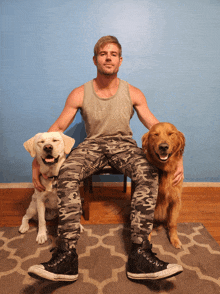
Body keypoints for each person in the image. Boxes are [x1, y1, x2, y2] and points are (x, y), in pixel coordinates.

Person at [28, 36, 184, 282]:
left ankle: (140, 254)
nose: (108, 57)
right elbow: (57, 127)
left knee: (148, 172)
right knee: (67, 173)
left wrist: (178, 157)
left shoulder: (133, 92)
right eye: (103, 53)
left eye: (113, 53)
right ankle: (66, 256)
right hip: (92, 146)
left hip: (123, 145)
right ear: (95, 59)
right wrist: (37, 163)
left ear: (120, 61)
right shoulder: (80, 93)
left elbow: (158, 127)